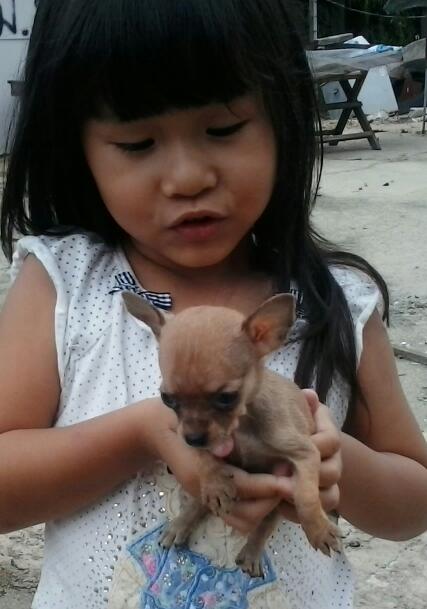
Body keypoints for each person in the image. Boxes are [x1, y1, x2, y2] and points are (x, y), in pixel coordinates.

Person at [0, 1, 426, 608]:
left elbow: (415, 503)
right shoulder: (65, 284)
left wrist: (331, 461)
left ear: (282, 117)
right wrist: (144, 432)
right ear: (79, 146)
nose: (188, 177)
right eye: (137, 142)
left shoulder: (335, 301)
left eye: (223, 129)